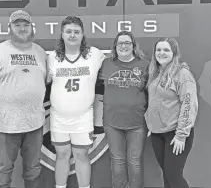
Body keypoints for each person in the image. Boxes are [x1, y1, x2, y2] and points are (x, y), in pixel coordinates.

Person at [0, 10, 47, 188]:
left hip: (35, 124)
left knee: (34, 170)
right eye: (17, 25)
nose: (22, 29)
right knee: (3, 170)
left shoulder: (40, 52)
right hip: (6, 126)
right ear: (9, 28)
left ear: (31, 27)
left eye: (25, 25)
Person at [46, 16, 105, 188]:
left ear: (82, 35)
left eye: (76, 32)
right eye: (69, 31)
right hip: (58, 117)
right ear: (62, 35)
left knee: (82, 155)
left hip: (83, 117)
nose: (72, 35)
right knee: (62, 155)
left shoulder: (94, 54)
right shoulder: (52, 58)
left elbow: (116, 61)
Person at [98, 31, 150, 188]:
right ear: (115, 46)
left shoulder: (144, 65)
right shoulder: (107, 64)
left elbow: (153, 92)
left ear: (133, 46)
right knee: (118, 160)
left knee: (134, 161)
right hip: (112, 121)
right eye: (120, 43)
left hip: (138, 121)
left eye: (127, 43)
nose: (124, 46)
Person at [145, 37, 198, 188]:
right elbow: (154, 101)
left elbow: (189, 104)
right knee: (167, 177)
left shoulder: (182, 75)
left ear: (174, 53)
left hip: (175, 134)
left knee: (174, 176)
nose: (161, 53)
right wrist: (151, 122)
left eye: (166, 50)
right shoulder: (155, 73)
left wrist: (181, 135)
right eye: (159, 50)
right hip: (157, 133)